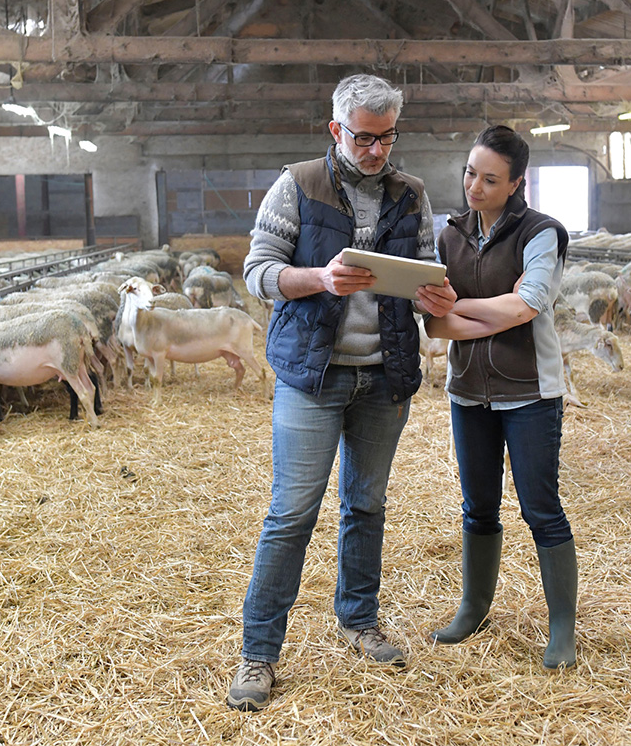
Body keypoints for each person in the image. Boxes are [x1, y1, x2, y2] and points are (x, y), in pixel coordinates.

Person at [227, 74, 457, 712]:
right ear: (336, 130)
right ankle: (259, 651)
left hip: (385, 375)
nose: (377, 150)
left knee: (366, 505)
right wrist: (318, 280)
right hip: (314, 374)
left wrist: (433, 296)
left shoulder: (411, 195)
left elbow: (422, 274)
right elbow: (257, 274)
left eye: (386, 138)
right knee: (292, 512)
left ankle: (358, 620)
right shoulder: (297, 185)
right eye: (364, 137)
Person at [424, 124, 578, 670]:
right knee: (478, 508)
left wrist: (461, 307)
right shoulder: (449, 235)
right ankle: (474, 605)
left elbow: (528, 306)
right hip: (467, 392)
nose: (475, 187)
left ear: (517, 183)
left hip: (530, 392)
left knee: (542, 510)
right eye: (470, 173)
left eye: (490, 179)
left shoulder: (543, 234)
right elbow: (435, 328)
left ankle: (562, 627)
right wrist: (490, 309)